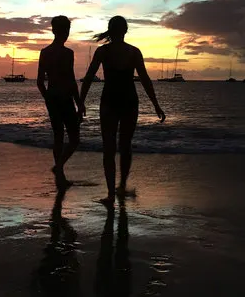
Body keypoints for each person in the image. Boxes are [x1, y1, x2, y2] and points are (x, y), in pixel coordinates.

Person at [80, 16, 165, 205]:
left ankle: (111, 193)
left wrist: (81, 103)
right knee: (125, 146)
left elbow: (88, 78)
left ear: (110, 31)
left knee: (109, 148)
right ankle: (122, 186)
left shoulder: (103, 52)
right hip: (129, 101)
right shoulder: (133, 52)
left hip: (110, 101)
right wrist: (155, 104)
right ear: (125, 31)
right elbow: (145, 79)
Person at [37, 16, 84, 187]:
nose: (66, 33)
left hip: (52, 97)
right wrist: (79, 102)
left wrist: (47, 98)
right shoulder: (67, 54)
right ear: (63, 31)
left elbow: (40, 82)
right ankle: (59, 168)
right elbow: (71, 80)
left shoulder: (45, 52)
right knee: (74, 139)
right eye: (66, 30)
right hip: (65, 98)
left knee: (58, 136)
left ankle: (60, 173)